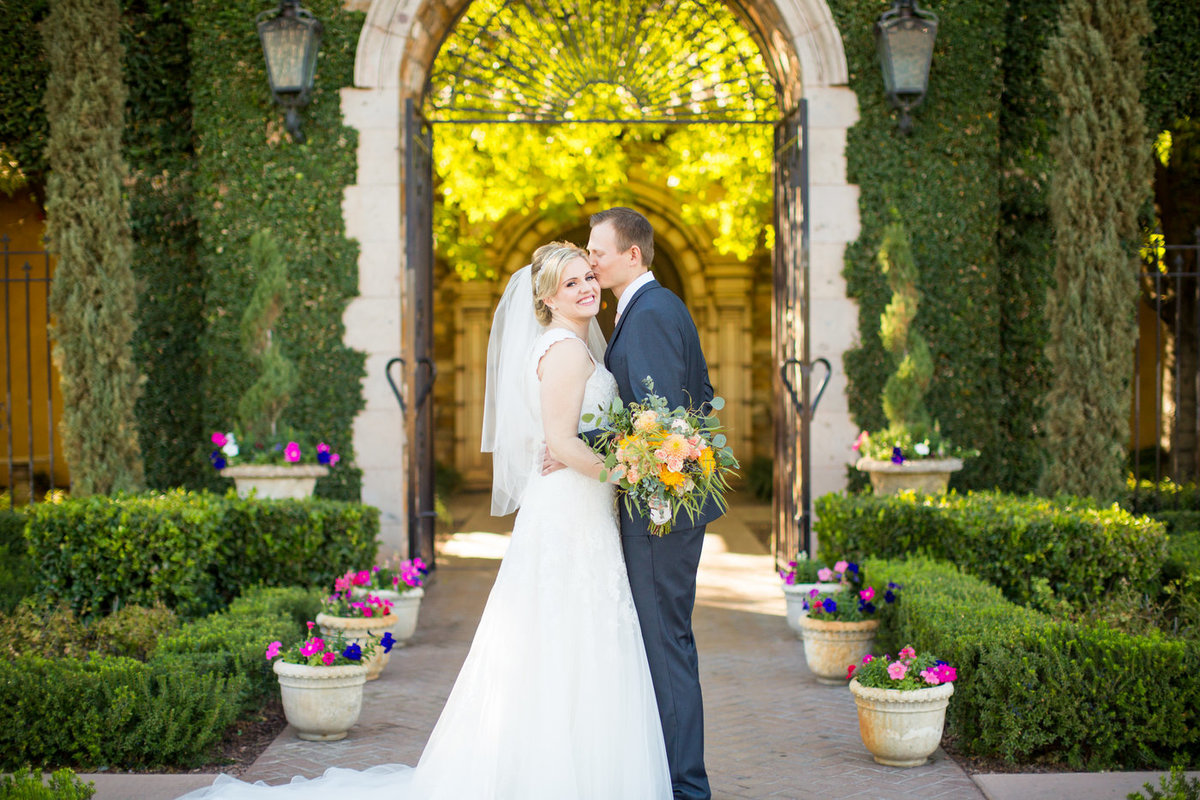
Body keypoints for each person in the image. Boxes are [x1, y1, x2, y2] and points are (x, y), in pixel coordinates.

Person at [176, 243, 671, 799]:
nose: (586, 289)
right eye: (571, 284)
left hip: (578, 506)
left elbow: (567, 440)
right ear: (547, 297)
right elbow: (558, 442)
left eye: (588, 278)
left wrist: (611, 456)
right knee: (564, 632)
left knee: (567, 634)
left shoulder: (574, 346)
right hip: (569, 511)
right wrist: (632, 474)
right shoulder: (564, 352)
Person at [586, 207, 720, 800]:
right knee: (662, 642)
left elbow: (659, 421)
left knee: (665, 645)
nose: (592, 262)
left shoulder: (652, 312)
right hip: (657, 503)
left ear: (632, 255)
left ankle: (686, 788)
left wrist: (583, 447)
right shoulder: (645, 310)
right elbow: (700, 395)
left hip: (658, 512)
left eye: (599, 252)